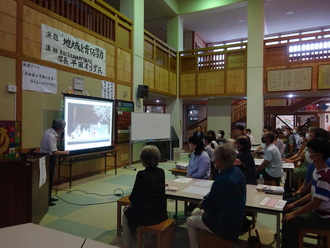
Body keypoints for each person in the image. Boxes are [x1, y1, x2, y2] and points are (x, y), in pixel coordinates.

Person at [186, 144, 246, 248]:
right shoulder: (237, 171)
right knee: (196, 212)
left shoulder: (223, 180)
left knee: (190, 220)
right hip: (236, 220)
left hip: (223, 224)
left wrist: (202, 203)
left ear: (218, 160)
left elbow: (208, 205)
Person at [281, 137, 330, 248]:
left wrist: (294, 214)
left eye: (309, 151)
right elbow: (312, 195)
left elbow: (315, 203)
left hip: (324, 218)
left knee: (290, 222)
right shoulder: (317, 171)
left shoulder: (325, 177)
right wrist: (293, 205)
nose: (306, 154)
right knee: (288, 209)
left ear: (317, 156)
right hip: (317, 212)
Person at [122, 145, 168, 248]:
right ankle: (145, 239)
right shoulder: (161, 172)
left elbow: (133, 197)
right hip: (160, 213)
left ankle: (127, 245)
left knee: (126, 214)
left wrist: (130, 205)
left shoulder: (141, 174)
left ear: (144, 160)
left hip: (146, 216)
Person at [40, 118, 70, 206]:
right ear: (60, 128)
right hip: (48, 158)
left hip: (48, 157)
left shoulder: (49, 131)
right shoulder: (51, 136)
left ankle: (48, 197)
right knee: (48, 179)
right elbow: (54, 152)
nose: (63, 129)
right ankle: (47, 200)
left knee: (49, 179)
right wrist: (66, 152)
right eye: (63, 128)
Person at [233, 135, 256, 233]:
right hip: (242, 180)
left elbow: (234, 162)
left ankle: (245, 221)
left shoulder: (247, 155)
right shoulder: (240, 153)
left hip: (248, 181)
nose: (236, 145)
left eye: (238, 143)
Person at [186, 135, 211, 212]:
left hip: (201, 181)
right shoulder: (193, 153)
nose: (189, 145)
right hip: (192, 179)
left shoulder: (204, 156)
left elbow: (200, 173)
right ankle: (191, 205)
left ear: (195, 145)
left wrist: (190, 177)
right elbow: (189, 166)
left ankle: (194, 205)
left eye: (190, 143)